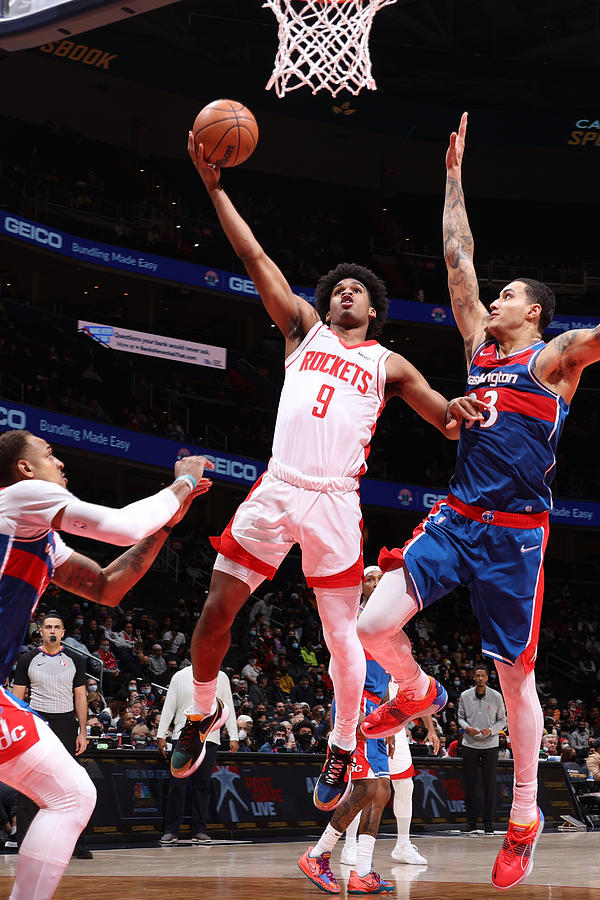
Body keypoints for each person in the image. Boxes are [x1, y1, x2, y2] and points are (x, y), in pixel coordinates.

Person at [171, 133, 484, 812]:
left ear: (373, 310)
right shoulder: (302, 331)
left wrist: (463, 404)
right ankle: (201, 714)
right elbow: (255, 258)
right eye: (337, 288)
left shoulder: (388, 365)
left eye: (356, 292)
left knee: (342, 635)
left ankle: (342, 745)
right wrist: (216, 188)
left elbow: (449, 421)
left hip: (336, 501)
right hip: (279, 484)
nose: (344, 295)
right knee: (218, 608)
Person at [357, 110, 600, 890]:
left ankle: (523, 814)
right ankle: (419, 690)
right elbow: (458, 256)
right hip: (457, 518)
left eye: (505, 298)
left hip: (517, 540)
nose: (489, 302)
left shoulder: (554, 360)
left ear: (533, 310)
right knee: (369, 624)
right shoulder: (478, 351)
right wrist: (454, 178)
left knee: (514, 680)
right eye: (490, 298)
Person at [0, 428, 211, 900]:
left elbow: (107, 586)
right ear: (25, 468)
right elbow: (119, 527)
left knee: (71, 795)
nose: (61, 464)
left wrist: (167, 524)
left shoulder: (37, 537)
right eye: (50, 454)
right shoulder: (20, 496)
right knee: (71, 795)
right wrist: (182, 484)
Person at [13, 611, 93, 858]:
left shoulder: (75, 660)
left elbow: (80, 696)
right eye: (48, 626)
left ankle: (74, 844)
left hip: (66, 723)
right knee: (29, 784)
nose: (52, 631)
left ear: (63, 632)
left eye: (56, 627)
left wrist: (82, 731)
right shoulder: (28, 659)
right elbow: (17, 698)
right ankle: (25, 842)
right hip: (37, 722)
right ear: (41, 630)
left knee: (72, 784)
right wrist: (20, 730)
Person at [157, 667, 238, 844]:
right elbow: (169, 705)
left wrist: (234, 735)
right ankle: (171, 830)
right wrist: (161, 734)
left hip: (211, 737)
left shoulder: (222, 676)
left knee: (202, 785)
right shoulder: (180, 676)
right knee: (178, 784)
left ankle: (199, 830)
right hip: (183, 736)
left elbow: (228, 705)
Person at [457, 664, 507, 835]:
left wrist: (491, 730)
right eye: (477, 675)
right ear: (473, 677)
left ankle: (488, 823)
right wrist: (466, 728)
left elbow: (502, 720)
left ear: (487, 678)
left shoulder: (496, 696)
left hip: (490, 745)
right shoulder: (465, 695)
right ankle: (470, 822)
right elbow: (460, 717)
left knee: (489, 785)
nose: (479, 678)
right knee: (469, 785)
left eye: (482, 676)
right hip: (470, 744)